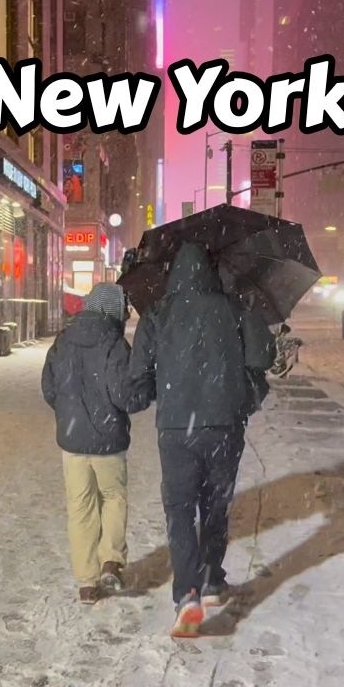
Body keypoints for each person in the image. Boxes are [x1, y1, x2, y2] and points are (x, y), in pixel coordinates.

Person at [129, 243, 275, 638]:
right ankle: (212, 579)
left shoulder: (157, 313)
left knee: (179, 511)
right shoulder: (233, 308)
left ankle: (187, 595)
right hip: (224, 424)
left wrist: (159, 390)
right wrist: (242, 395)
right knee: (215, 504)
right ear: (210, 271)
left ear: (175, 272)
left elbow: (137, 376)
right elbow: (261, 357)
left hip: (176, 428)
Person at [41, 283, 150, 605]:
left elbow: (48, 389)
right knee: (114, 498)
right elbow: (125, 396)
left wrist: (69, 413)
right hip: (108, 441)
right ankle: (111, 562)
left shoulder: (62, 340)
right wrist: (145, 389)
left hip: (73, 442)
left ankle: (86, 583)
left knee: (80, 508)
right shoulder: (115, 345)